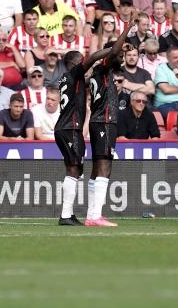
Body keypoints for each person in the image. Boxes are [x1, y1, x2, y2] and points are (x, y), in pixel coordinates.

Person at [55, 22, 130, 226]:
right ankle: (72, 215)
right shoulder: (78, 74)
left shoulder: (71, 79)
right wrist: (126, 32)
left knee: (80, 168)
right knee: (77, 168)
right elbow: (101, 57)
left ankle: (82, 215)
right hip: (73, 126)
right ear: (74, 64)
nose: (85, 65)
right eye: (81, 62)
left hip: (71, 126)